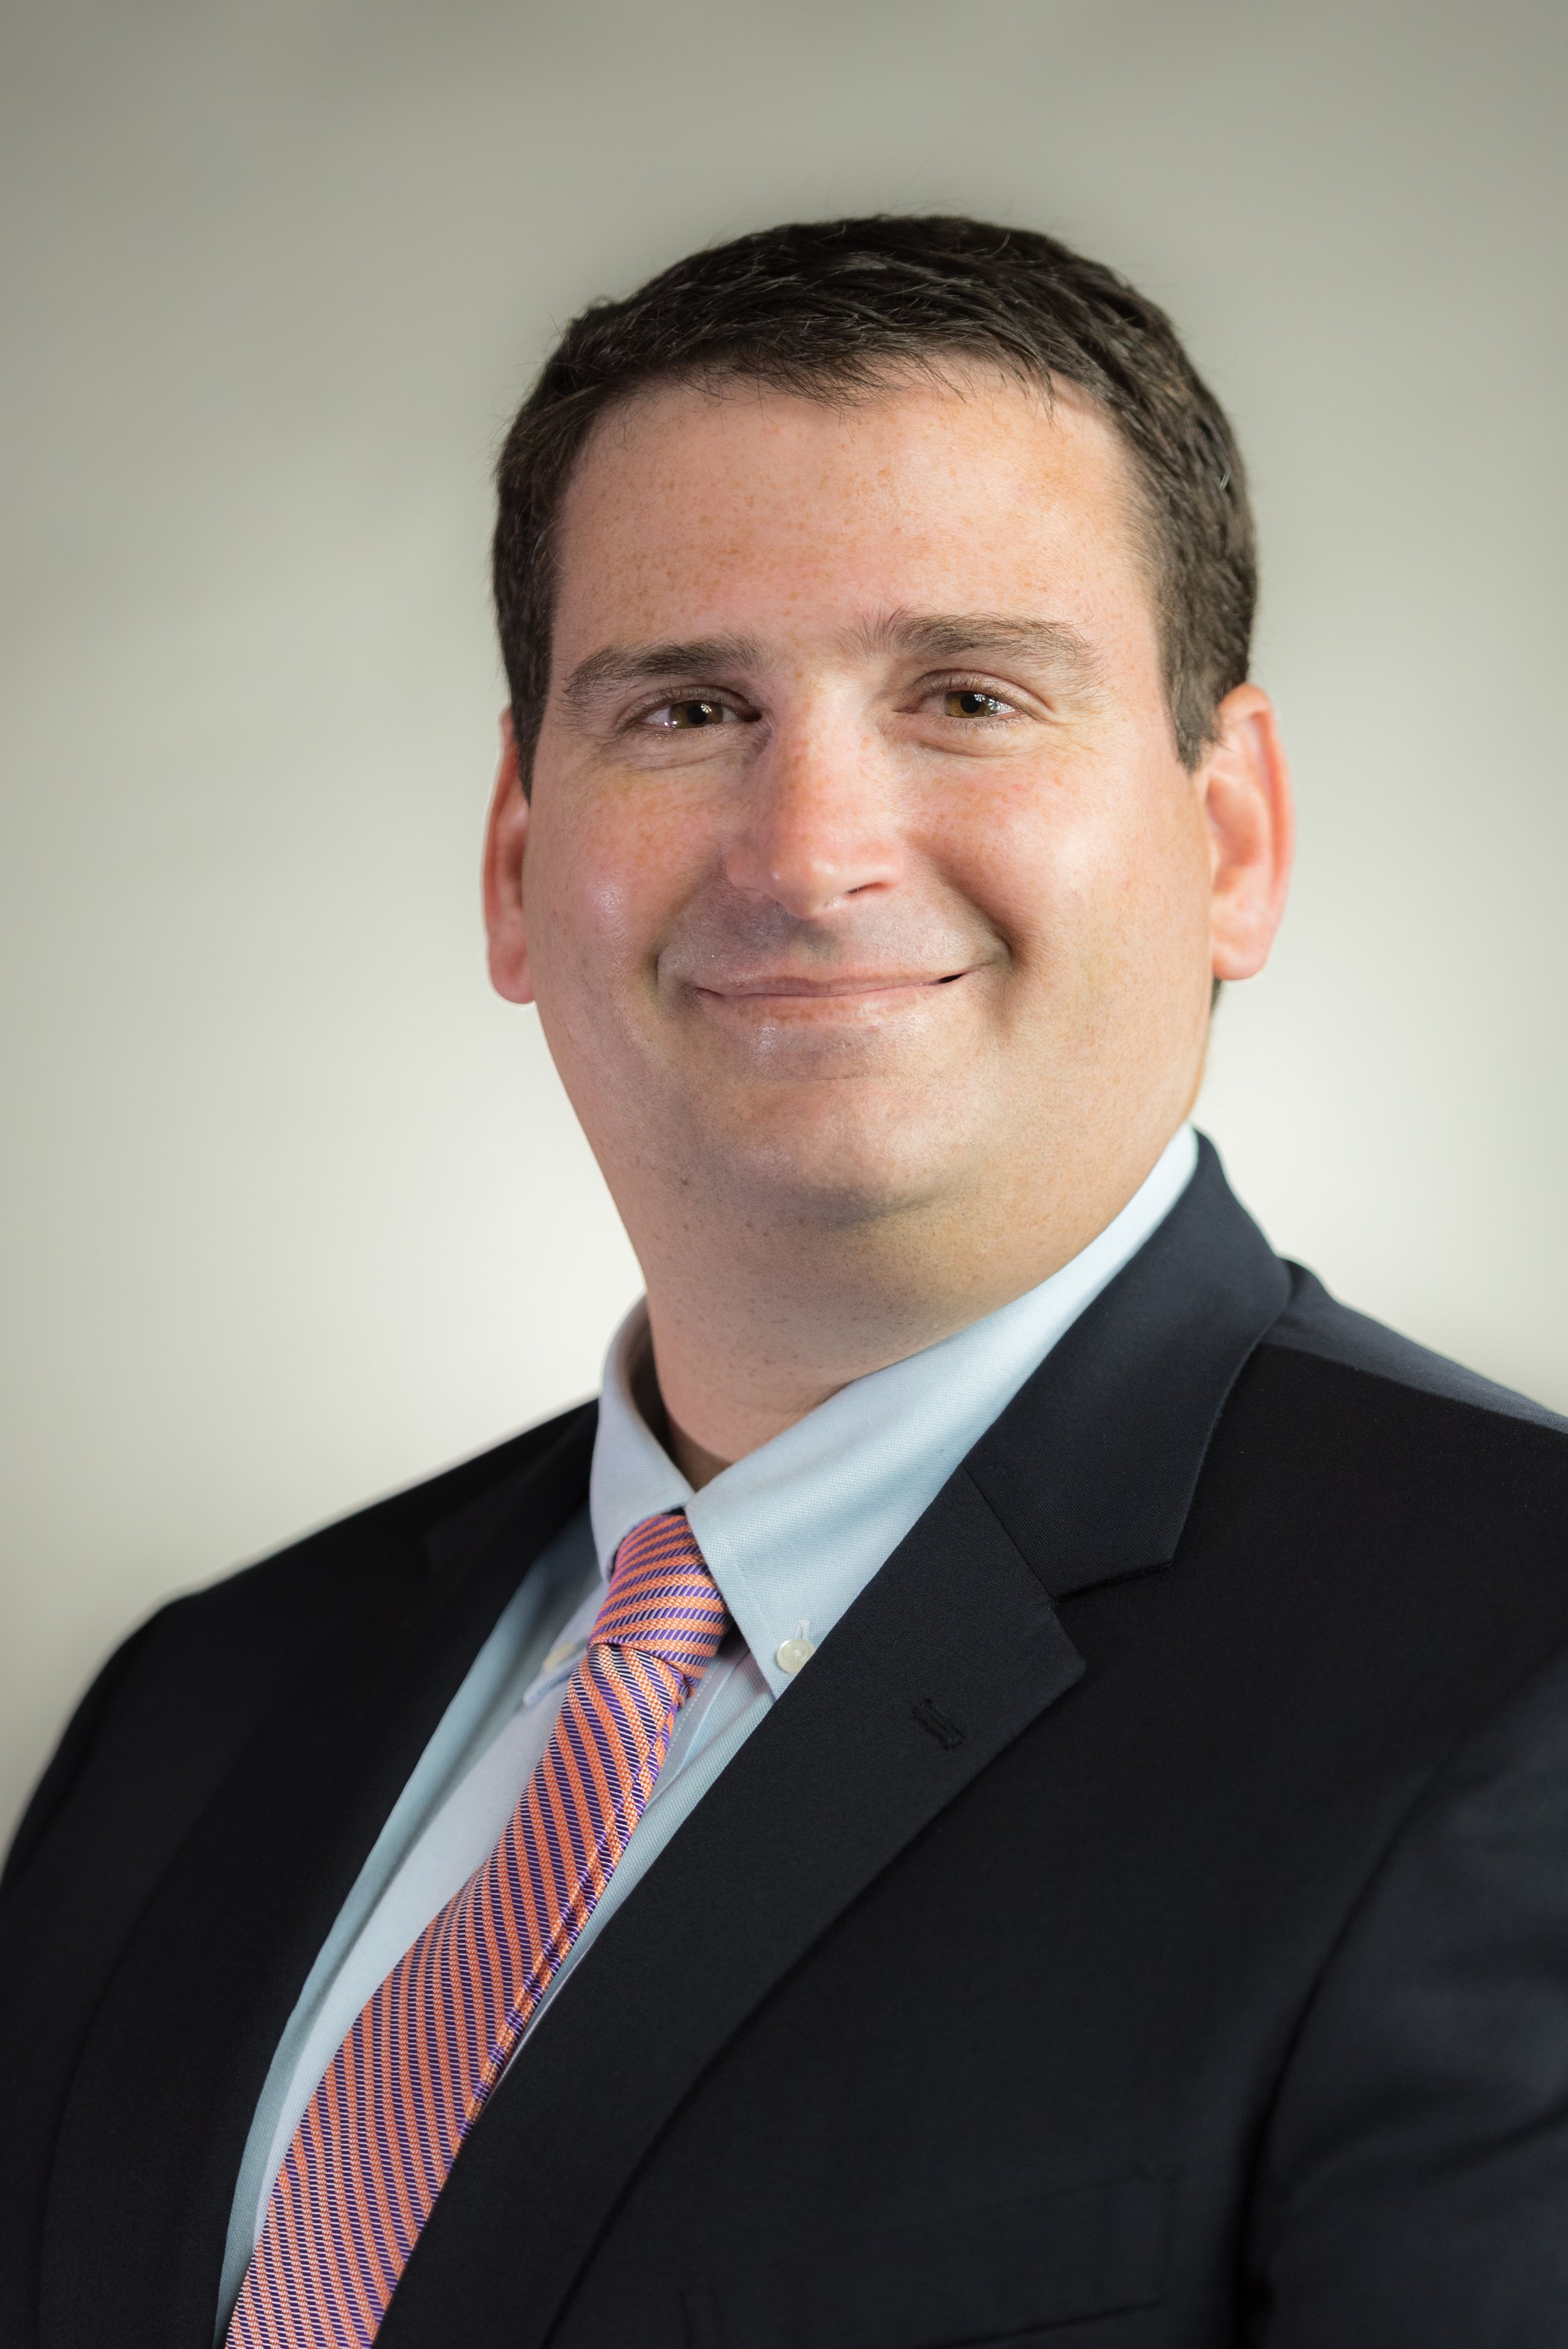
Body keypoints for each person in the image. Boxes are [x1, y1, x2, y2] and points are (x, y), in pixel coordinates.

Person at [3, 215, 1565, 2349]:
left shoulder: (1516, 1657)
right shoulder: (199, 1709)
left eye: (966, 695)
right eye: (685, 704)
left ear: (1231, 838)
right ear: (513, 854)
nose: (808, 852)